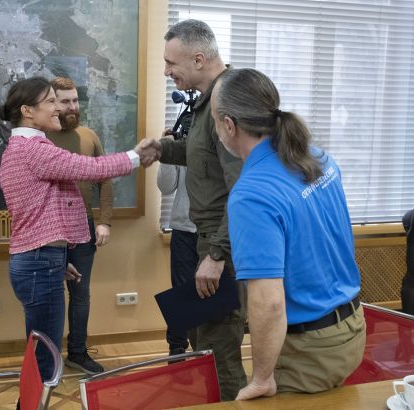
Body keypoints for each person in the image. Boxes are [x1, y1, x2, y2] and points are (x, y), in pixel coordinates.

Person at [210, 68, 366, 400]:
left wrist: (262, 378)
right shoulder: (319, 159)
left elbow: (268, 303)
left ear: (229, 125)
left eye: (214, 119)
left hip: (310, 349)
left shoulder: (252, 195)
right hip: (352, 326)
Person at [0, 77, 143, 385]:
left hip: (42, 260)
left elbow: (42, 212)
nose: (58, 108)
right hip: (38, 263)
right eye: (50, 101)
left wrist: (58, 260)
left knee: (42, 352)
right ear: (27, 110)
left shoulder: (26, 145)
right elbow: (91, 169)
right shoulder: (32, 149)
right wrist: (138, 156)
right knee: (45, 360)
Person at [138, 19, 246, 401]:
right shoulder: (209, 101)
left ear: (198, 59)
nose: (166, 71)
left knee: (220, 350)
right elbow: (203, 155)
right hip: (207, 240)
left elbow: (244, 191)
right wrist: (163, 149)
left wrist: (217, 255)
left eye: (171, 63)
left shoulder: (229, 101)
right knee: (203, 340)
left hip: (222, 245)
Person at [45, 76, 112, 374]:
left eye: (75, 100)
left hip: (83, 227)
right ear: (51, 104)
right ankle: (47, 358)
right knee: (49, 293)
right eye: (65, 101)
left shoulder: (89, 136)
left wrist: (104, 222)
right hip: (49, 230)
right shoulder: (39, 139)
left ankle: (78, 352)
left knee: (80, 292)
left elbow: (105, 181)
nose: (72, 106)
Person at [157, 161, 198, 357]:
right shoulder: (184, 142)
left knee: (216, 292)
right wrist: (167, 154)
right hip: (183, 228)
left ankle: (207, 351)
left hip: (218, 229)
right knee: (181, 290)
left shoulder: (227, 139)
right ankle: (177, 347)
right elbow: (165, 187)